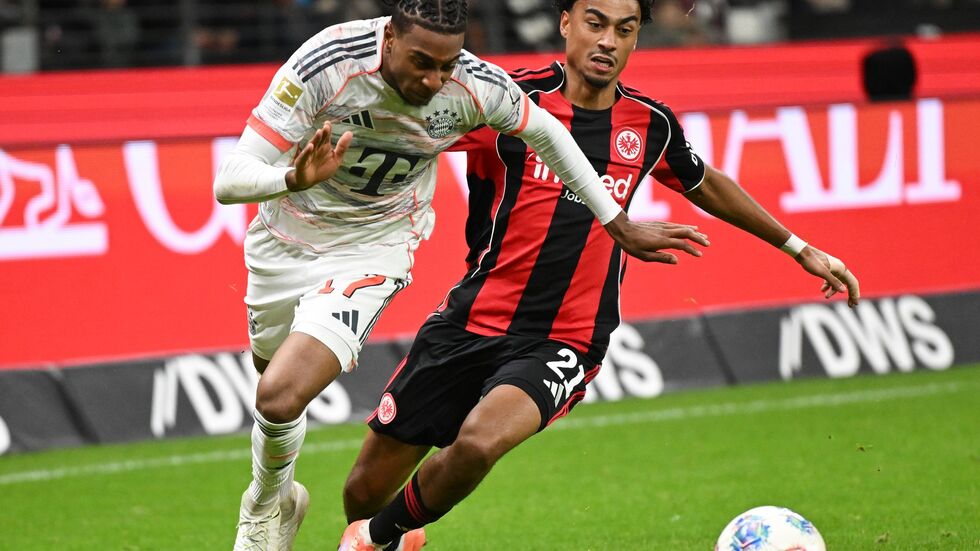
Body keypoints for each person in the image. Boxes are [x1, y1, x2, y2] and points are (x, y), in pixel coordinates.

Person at [338, 0, 861, 549]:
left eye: (625, 29)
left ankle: (376, 539)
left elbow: (705, 182)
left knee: (476, 444)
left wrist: (800, 248)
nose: (609, 41)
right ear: (565, 23)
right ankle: (388, 536)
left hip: (565, 338)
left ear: (637, 38)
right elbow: (410, 131)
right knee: (363, 491)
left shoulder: (648, 124)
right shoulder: (505, 101)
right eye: (596, 23)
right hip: (468, 321)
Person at [212, 0, 706, 549]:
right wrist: (291, 177)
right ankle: (279, 495)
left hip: (376, 246)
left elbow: (549, 134)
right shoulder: (328, 60)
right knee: (298, 415)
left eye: (446, 65)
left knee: (280, 396)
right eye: (422, 62)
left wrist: (617, 223)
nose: (434, 80)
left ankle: (267, 512)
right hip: (284, 240)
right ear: (390, 38)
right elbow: (228, 180)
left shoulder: (474, 84)